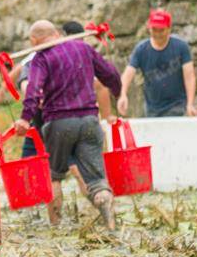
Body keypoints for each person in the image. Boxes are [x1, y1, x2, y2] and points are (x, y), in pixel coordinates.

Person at [11, 20, 121, 230]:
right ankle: (109, 220)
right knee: (97, 180)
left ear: (34, 41)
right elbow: (110, 74)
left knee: (54, 175)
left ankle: (56, 226)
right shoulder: (84, 48)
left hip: (58, 123)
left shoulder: (41, 58)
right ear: (56, 33)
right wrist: (119, 93)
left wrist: (25, 119)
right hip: (89, 120)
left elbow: (33, 92)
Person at [119, 9, 197, 118]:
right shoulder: (141, 49)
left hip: (177, 105)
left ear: (169, 29)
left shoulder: (181, 47)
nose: (157, 34)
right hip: (152, 106)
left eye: (161, 30)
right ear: (149, 29)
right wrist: (123, 94)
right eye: (154, 30)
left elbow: (189, 76)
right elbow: (128, 73)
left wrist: (190, 104)